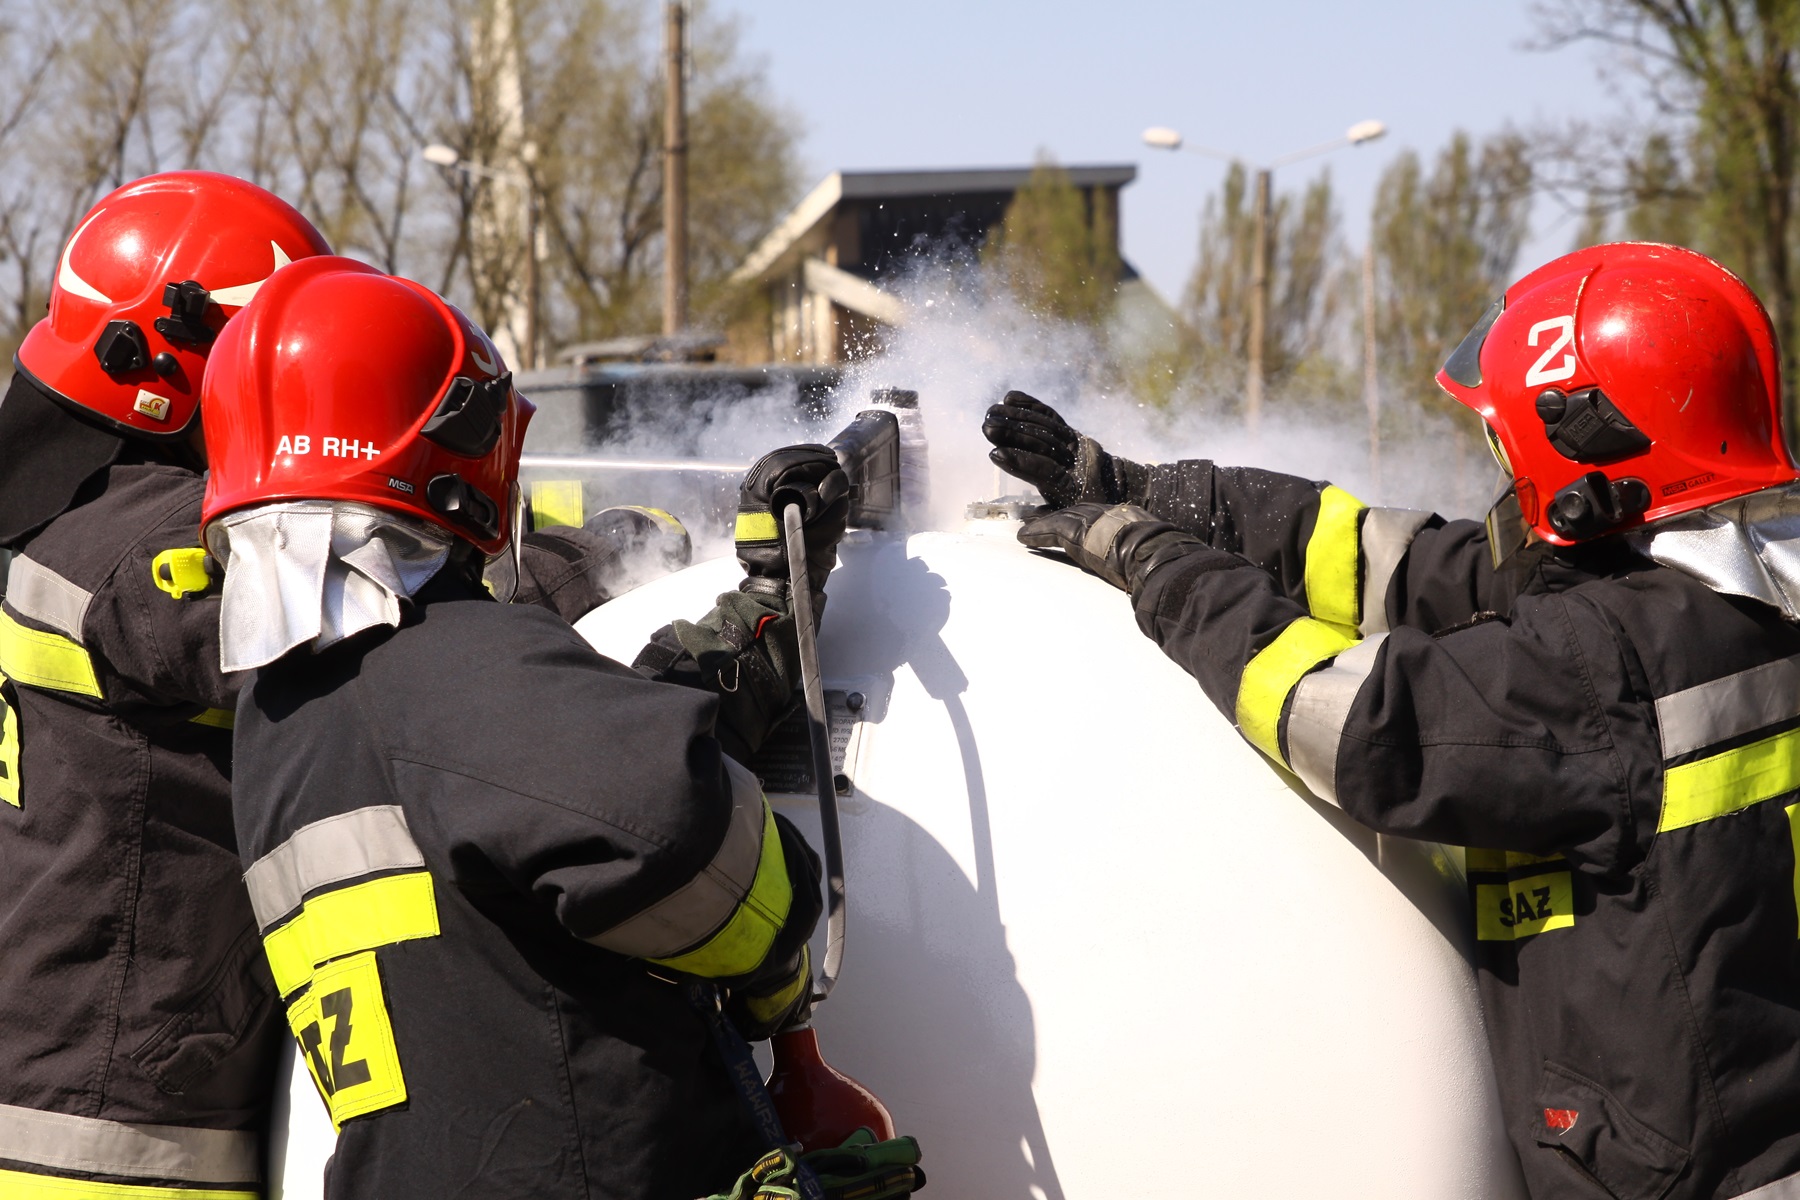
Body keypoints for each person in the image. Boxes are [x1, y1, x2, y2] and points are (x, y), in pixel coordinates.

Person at [988, 242, 1800, 1200]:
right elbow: (1396, 561)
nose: (1497, 461)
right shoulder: (1733, 586)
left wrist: (1152, 563)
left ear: (1578, 439)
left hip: (1675, 1178)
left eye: (1504, 437)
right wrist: (1147, 487)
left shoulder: (1596, 669)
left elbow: (1354, 718)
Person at [201, 255, 836, 1197]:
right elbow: (721, 877)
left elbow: (515, 808)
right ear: (459, 460)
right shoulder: (460, 673)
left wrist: (754, 622)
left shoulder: (287, 718)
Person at [0, 171, 332, 1197]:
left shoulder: (64, 516)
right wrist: (600, 565)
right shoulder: (150, 549)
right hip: (117, 1149)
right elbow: (380, 625)